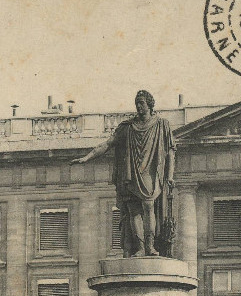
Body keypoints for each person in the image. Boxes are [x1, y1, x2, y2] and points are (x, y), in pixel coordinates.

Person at [70, 90, 176, 257]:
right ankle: (140, 248)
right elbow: (107, 144)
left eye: (141, 102)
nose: (138, 106)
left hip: (149, 173)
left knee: (149, 206)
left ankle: (150, 246)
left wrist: (169, 175)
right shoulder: (127, 128)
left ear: (149, 104)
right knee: (134, 211)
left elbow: (170, 152)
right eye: (136, 103)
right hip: (131, 174)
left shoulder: (161, 125)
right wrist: (87, 158)